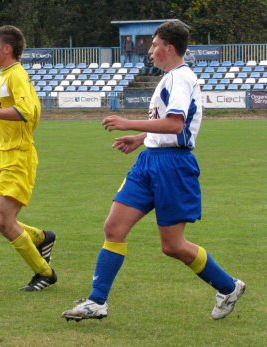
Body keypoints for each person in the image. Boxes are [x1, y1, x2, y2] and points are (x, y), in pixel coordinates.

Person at [61, 21, 245, 322]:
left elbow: (175, 125)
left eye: (154, 44)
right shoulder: (170, 78)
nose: (150, 50)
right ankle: (97, 302)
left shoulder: (182, 79)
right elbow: (165, 128)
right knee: (113, 228)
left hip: (173, 165)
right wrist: (140, 139)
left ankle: (228, 286)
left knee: (172, 246)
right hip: (150, 160)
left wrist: (129, 123)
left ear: (168, 48)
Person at [0, 25, 57, 291]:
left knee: (5, 222)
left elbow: (27, 111)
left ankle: (45, 273)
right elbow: (18, 116)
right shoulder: (6, 76)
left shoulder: (17, 75)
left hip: (17, 158)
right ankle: (41, 238)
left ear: (7, 49)